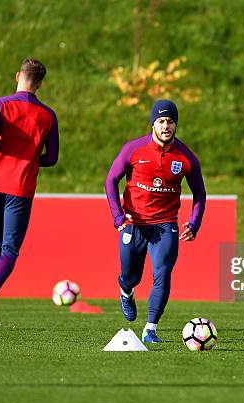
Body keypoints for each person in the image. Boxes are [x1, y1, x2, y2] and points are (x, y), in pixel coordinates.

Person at [105, 99, 206, 343]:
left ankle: (150, 328)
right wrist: (118, 215)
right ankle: (125, 291)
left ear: (175, 125)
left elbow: (199, 193)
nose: (166, 126)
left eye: (170, 121)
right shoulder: (133, 149)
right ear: (152, 124)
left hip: (165, 225)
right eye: (161, 121)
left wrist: (194, 224)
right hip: (134, 223)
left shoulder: (186, 158)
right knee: (131, 277)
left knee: (163, 272)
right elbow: (110, 180)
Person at [0, 58, 59, 330]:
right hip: (20, 188)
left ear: (18, 76)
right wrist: (31, 158)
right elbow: (52, 158)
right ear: (40, 83)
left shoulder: (1, 104)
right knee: (10, 248)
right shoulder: (48, 115)